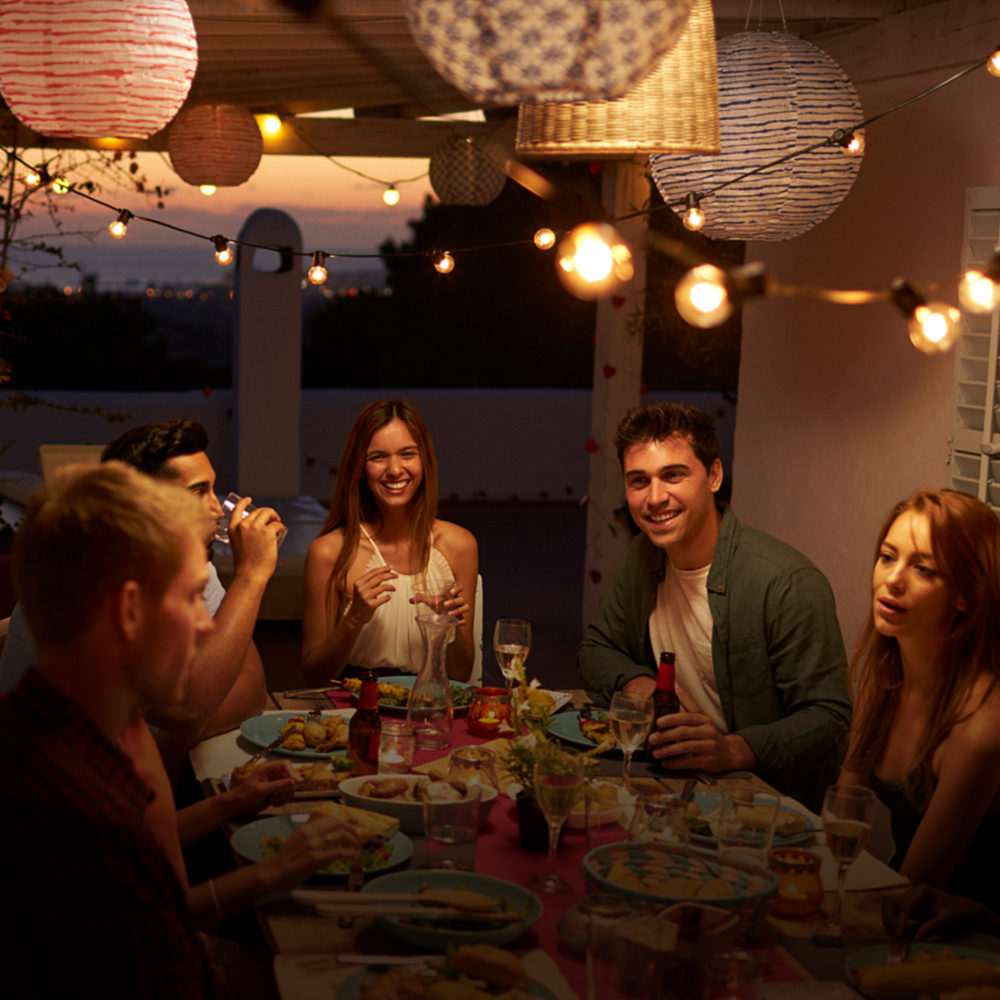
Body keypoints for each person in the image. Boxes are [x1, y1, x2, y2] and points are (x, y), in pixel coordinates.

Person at [0, 464, 358, 995]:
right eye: (193, 596)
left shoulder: (42, 728)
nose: (203, 624)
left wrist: (229, 805)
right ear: (129, 611)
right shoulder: (85, 812)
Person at [578, 401, 851, 809]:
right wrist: (643, 688)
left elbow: (830, 721)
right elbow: (596, 650)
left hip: (766, 807)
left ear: (714, 476)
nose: (655, 498)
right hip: (672, 786)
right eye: (639, 481)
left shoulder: (785, 582)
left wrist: (733, 749)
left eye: (673, 475)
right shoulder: (643, 555)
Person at [0, 419, 280, 756]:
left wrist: (173, 744)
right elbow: (188, 707)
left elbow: (250, 687)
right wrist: (250, 575)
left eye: (213, 489)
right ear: (146, 502)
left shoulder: (185, 561)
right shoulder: (92, 579)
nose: (218, 509)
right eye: (197, 492)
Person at [838, 489, 1000, 909]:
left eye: (923, 568)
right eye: (888, 557)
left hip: (964, 946)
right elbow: (843, 816)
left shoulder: (980, 724)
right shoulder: (883, 674)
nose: (892, 579)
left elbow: (911, 890)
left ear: (967, 594)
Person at [302, 398, 478, 684]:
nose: (395, 470)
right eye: (378, 457)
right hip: (357, 712)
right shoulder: (329, 552)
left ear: (425, 460)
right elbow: (313, 676)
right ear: (359, 467)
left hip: (430, 710)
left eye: (407, 454)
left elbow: (461, 673)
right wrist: (353, 619)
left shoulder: (460, 545)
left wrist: (450, 626)